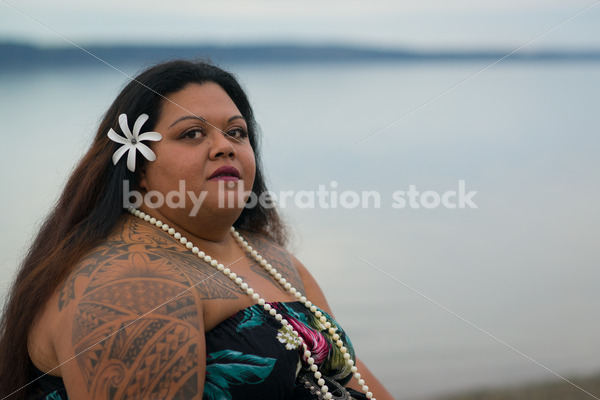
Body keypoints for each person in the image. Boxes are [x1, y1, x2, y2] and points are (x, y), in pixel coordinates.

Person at [0, 60, 393, 400]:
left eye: (236, 132)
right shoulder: (131, 286)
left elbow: (356, 380)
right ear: (136, 166)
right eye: (192, 133)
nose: (224, 146)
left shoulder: (270, 257)